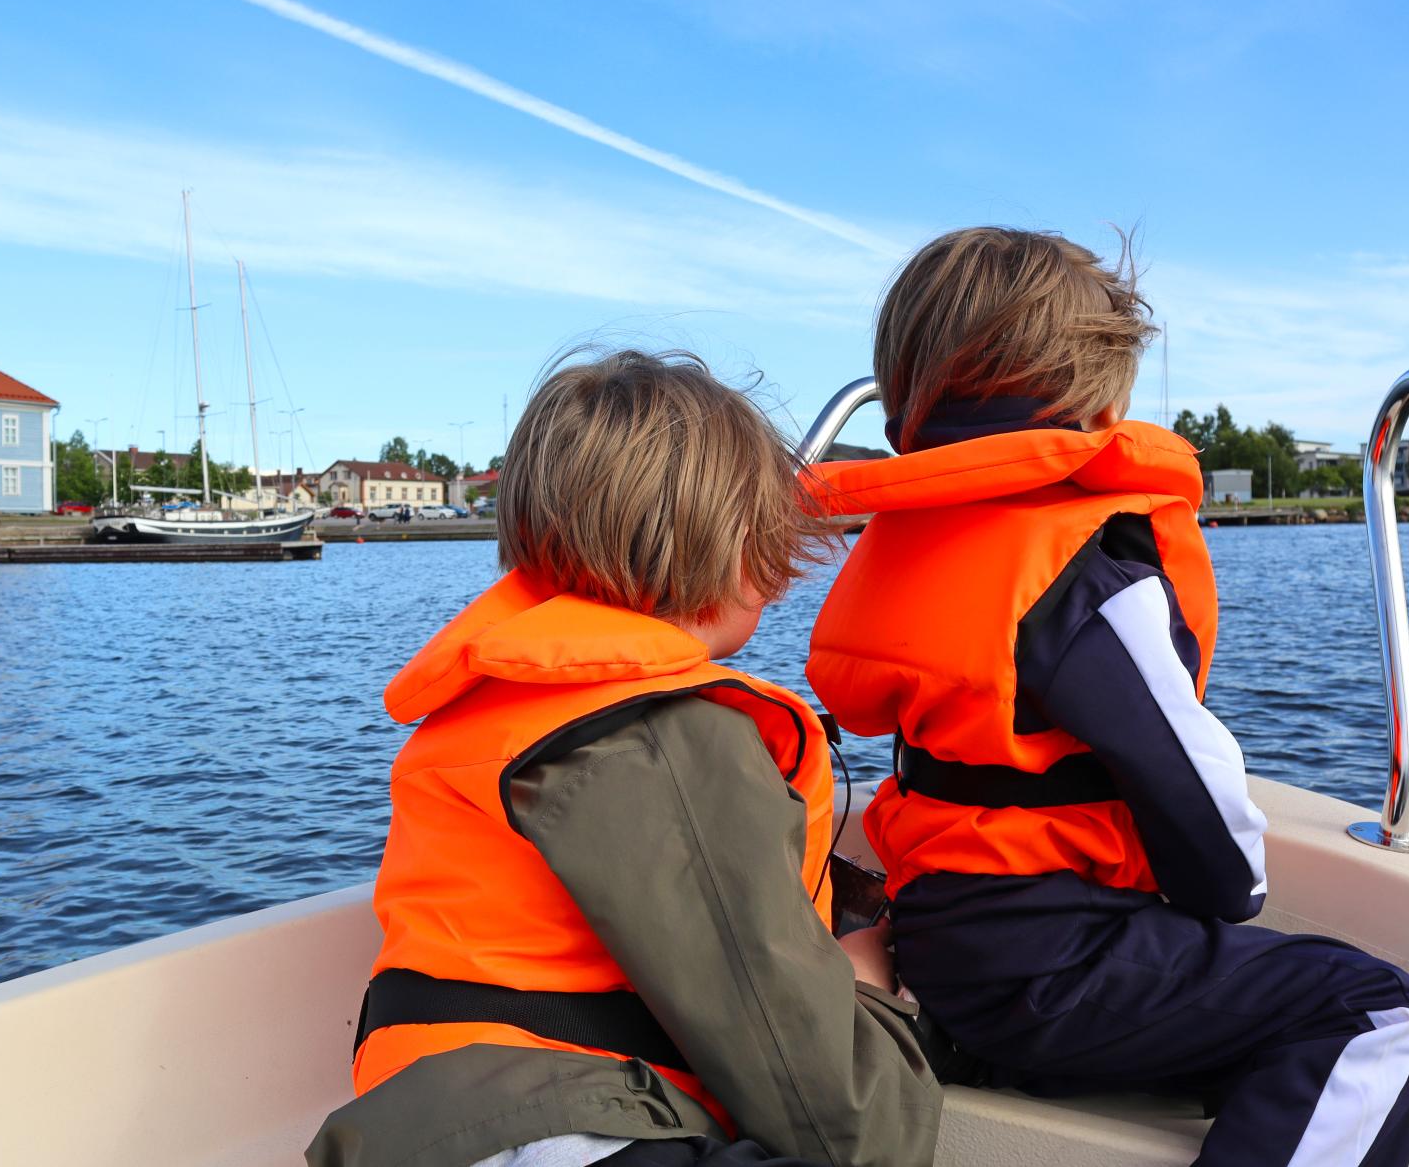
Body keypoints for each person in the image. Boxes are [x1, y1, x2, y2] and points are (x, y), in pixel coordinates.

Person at [806, 227, 1409, 1167]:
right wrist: (1231, 895)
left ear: (908, 394)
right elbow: (1195, 792)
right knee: (1375, 1013)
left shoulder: (912, 548)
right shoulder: (1084, 571)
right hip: (1052, 961)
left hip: (943, 942)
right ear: (1093, 391)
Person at [309, 350, 941, 1167]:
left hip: (426, 1125)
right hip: (566, 1135)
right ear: (739, 545)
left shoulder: (496, 712)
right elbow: (854, 1129)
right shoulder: (659, 742)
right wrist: (863, 986)